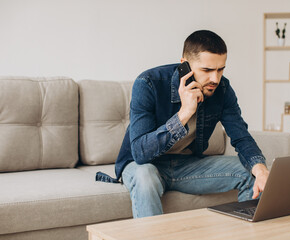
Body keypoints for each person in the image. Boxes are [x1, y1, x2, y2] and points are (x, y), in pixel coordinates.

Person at [96, 30, 269, 218]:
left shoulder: (223, 89)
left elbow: (241, 136)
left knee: (250, 173)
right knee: (145, 177)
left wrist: (261, 170)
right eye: (207, 70)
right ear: (184, 66)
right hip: (144, 165)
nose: (215, 79)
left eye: (220, 69)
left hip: (187, 165)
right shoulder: (148, 84)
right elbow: (140, 153)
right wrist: (184, 114)